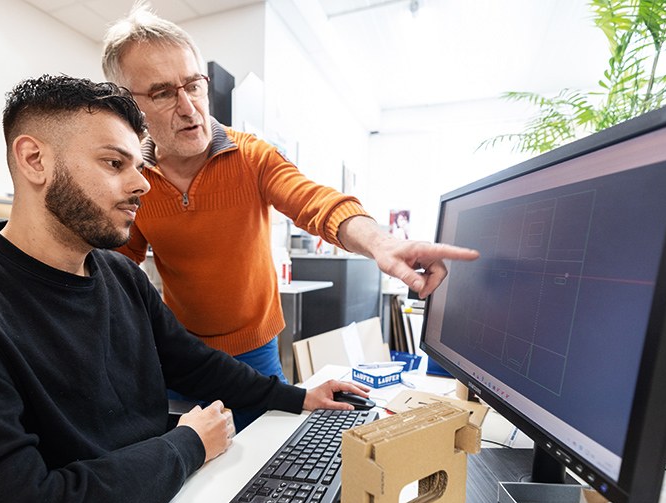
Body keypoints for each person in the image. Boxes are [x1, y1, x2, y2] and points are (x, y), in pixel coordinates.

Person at [0, 74, 369, 503]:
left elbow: (192, 363)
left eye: (139, 166)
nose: (143, 185)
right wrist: (188, 444)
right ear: (34, 160)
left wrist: (297, 397)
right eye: (115, 164)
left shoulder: (117, 274)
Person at [100, 4, 480, 427]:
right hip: (182, 356)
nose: (190, 107)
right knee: (195, 479)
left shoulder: (251, 157)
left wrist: (381, 242)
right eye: (163, 93)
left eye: (194, 85)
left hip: (256, 351)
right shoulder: (134, 183)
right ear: (128, 106)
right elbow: (117, 269)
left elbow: (314, 202)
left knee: (269, 466)